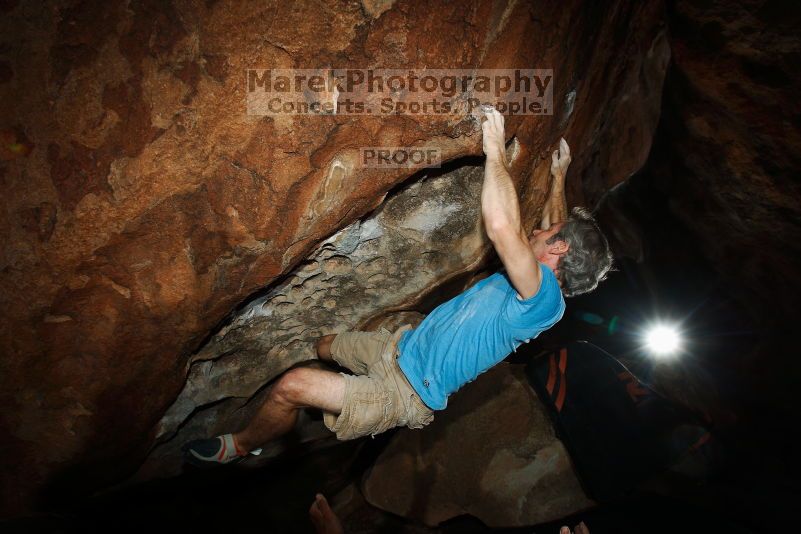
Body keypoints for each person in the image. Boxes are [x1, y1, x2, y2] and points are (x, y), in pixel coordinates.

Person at [183, 109, 613, 465]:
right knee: (325, 346)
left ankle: (241, 445)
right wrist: (559, 176)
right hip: (397, 348)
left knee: (292, 385)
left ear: (557, 249)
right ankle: (324, 393)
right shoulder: (542, 280)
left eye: (550, 231)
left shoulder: (544, 302)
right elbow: (548, 230)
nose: (538, 230)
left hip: (403, 393)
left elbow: (504, 227)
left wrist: (495, 150)